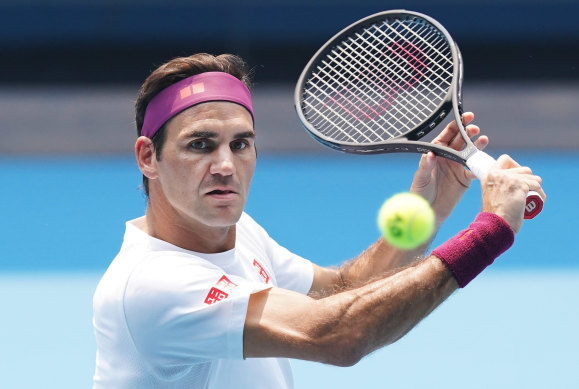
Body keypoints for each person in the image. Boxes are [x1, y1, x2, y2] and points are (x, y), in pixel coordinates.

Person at [92, 53, 545, 388]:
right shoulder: (151, 285)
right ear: (148, 157)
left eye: (241, 144)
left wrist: (431, 209)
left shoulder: (235, 230)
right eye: (201, 145)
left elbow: (340, 289)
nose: (226, 165)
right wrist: (489, 232)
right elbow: (336, 333)